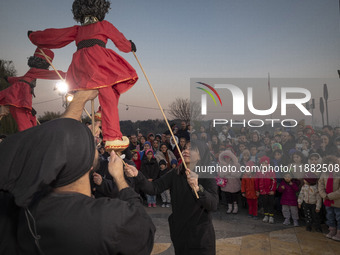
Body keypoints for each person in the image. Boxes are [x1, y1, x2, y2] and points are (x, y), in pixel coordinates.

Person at [0, 90, 155, 255]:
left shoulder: (18, 207)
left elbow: (55, 141)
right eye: (92, 145)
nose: (97, 143)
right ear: (86, 164)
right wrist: (120, 179)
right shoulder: (109, 220)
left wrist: (78, 101)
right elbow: (144, 229)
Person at [28, 0, 138, 151]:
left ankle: (95, 118)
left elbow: (56, 35)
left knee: (98, 91)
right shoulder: (104, 25)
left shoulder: (78, 29)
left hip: (80, 64)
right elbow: (120, 41)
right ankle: (112, 136)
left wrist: (35, 36)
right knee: (109, 91)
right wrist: (130, 46)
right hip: (98, 60)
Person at [125, 140, 219, 255]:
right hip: (180, 233)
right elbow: (154, 187)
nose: (185, 151)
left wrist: (198, 188)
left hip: (201, 237)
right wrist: (137, 175)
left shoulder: (206, 175)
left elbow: (213, 204)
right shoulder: (176, 173)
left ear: (200, 155)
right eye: (184, 148)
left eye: (191, 148)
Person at [0, 48, 65, 131]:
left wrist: (8, 78)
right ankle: (29, 137)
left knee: (31, 118)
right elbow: (53, 74)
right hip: (18, 97)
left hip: (19, 97)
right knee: (25, 125)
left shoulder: (32, 72)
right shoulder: (37, 71)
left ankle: (32, 134)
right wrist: (69, 74)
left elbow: (19, 79)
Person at [318, 155, 340, 241]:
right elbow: (321, 185)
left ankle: (339, 232)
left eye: (333, 164)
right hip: (327, 200)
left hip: (337, 201)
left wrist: (330, 196)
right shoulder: (324, 174)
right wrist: (324, 195)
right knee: (330, 216)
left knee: (339, 217)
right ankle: (332, 230)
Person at [255, 156, 277, 224]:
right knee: (264, 204)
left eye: (266, 163)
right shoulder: (258, 172)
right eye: (262, 163)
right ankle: (266, 215)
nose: (264, 164)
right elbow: (256, 181)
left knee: (271, 203)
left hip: (270, 191)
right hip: (262, 191)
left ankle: (271, 216)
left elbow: (273, 181)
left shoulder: (271, 171)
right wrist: (257, 190)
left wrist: (273, 190)